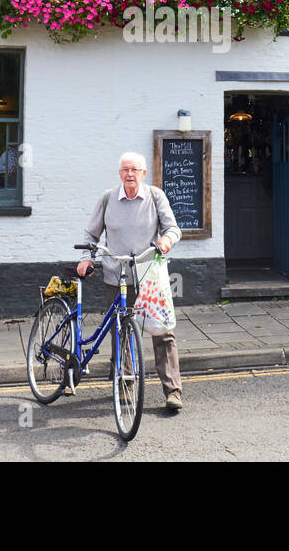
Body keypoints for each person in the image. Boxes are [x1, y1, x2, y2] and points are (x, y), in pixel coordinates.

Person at [78, 152, 184, 412]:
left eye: (135, 169)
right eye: (125, 169)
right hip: (116, 275)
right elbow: (91, 234)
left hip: (149, 275)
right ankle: (125, 383)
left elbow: (173, 228)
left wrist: (166, 241)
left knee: (162, 331)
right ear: (120, 173)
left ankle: (172, 391)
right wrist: (86, 258)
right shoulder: (108, 198)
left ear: (144, 174)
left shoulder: (155, 196)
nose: (129, 174)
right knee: (121, 332)